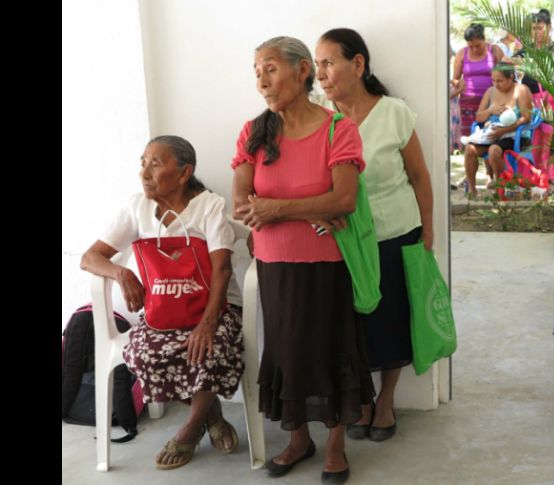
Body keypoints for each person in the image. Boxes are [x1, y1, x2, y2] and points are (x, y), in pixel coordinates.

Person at [231, 36, 374, 484]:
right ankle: (297, 440)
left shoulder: (337, 129)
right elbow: (241, 201)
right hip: (275, 263)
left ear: (303, 70)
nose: (262, 80)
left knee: (330, 349)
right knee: (288, 351)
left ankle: (335, 445)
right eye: (256, 71)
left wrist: (276, 209)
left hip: (327, 264)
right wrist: (315, 206)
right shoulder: (254, 132)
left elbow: (345, 200)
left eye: (270, 68)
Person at [80, 135, 244, 469]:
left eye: (156, 163)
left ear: (185, 173)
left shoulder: (209, 205)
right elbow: (90, 257)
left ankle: (188, 431)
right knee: (142, 353)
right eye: (142, 163)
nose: (144, 172)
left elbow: (222, 269)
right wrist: (121, 274)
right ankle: (212, 417)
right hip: (164, 312)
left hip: (215, 306)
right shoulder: (136, 207)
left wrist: (207, 324)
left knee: (208, 348)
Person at [314, 28, 435, 443]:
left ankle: (386, 400)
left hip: (396, 232)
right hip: (345, 242)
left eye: (328, 63)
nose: (321, 75)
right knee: (352, 326)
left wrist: (428, 232)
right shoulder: (319, 117)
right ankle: (362, 399)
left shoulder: (394, 112)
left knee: (392, 322)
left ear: (359, 64)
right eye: (317, 67)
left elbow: (419, 177)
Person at [463, 63, 532, 198]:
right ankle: (472, 190)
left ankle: (501, 190)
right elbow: (478, 117)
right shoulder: (490, 92)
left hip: (514, 135)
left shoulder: (521, 90)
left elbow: (526, 118)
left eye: (500, 80)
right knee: (469, 150)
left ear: (511, 77)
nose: (496, 84)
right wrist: (490, 111)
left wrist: (505, 130)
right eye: (493, 80)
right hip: (492, 134)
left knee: (494, 150)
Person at [452, 23, 504, 137]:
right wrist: (458, 84)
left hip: (492, 104)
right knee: (469, 139)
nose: (474, 49)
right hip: (467, 105)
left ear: (484, 40)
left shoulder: (494, 51)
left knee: (491, 137)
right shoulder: (462, 53)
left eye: (478, 45)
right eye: (471, 46)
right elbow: (455, 79)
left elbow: (505, 75)